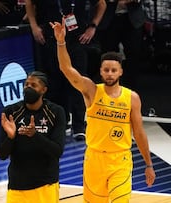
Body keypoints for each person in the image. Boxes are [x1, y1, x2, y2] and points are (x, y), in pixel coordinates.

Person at [50, 19, 156, 202]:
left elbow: (139, 132)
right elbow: (66, 69)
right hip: (94, 159)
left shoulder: (132, 98)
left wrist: (148, 164)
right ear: (101, 71)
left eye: (114, 70)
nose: (110, 73)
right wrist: (61, 42)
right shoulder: (92, 90)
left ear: (121, 72)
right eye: (106, 70)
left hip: (120, 160)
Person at [25, 0, 106, 141]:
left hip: (77, 39)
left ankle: (79, 125)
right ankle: (62, 122)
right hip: (50, 39)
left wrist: (93, 26)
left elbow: (102, 4)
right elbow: (29, 3)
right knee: (54, 83)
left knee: (78, 82)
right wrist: (34, 26)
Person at [0, 71, 66, 203]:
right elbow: (1, 154)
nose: (28, 87)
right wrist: (11, 137)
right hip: (17, 187)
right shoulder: (11, 112)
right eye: (26, 84)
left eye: (33, 85)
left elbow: (57, 151)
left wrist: (35, 135)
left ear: (43, 90)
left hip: (46, 185)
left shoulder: (56, 112)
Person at [96, 0, 146, 86]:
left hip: (132, 18)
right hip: (109, 18)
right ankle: (109, 83)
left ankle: (130, 86)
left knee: (133, 52)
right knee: (108, 53)